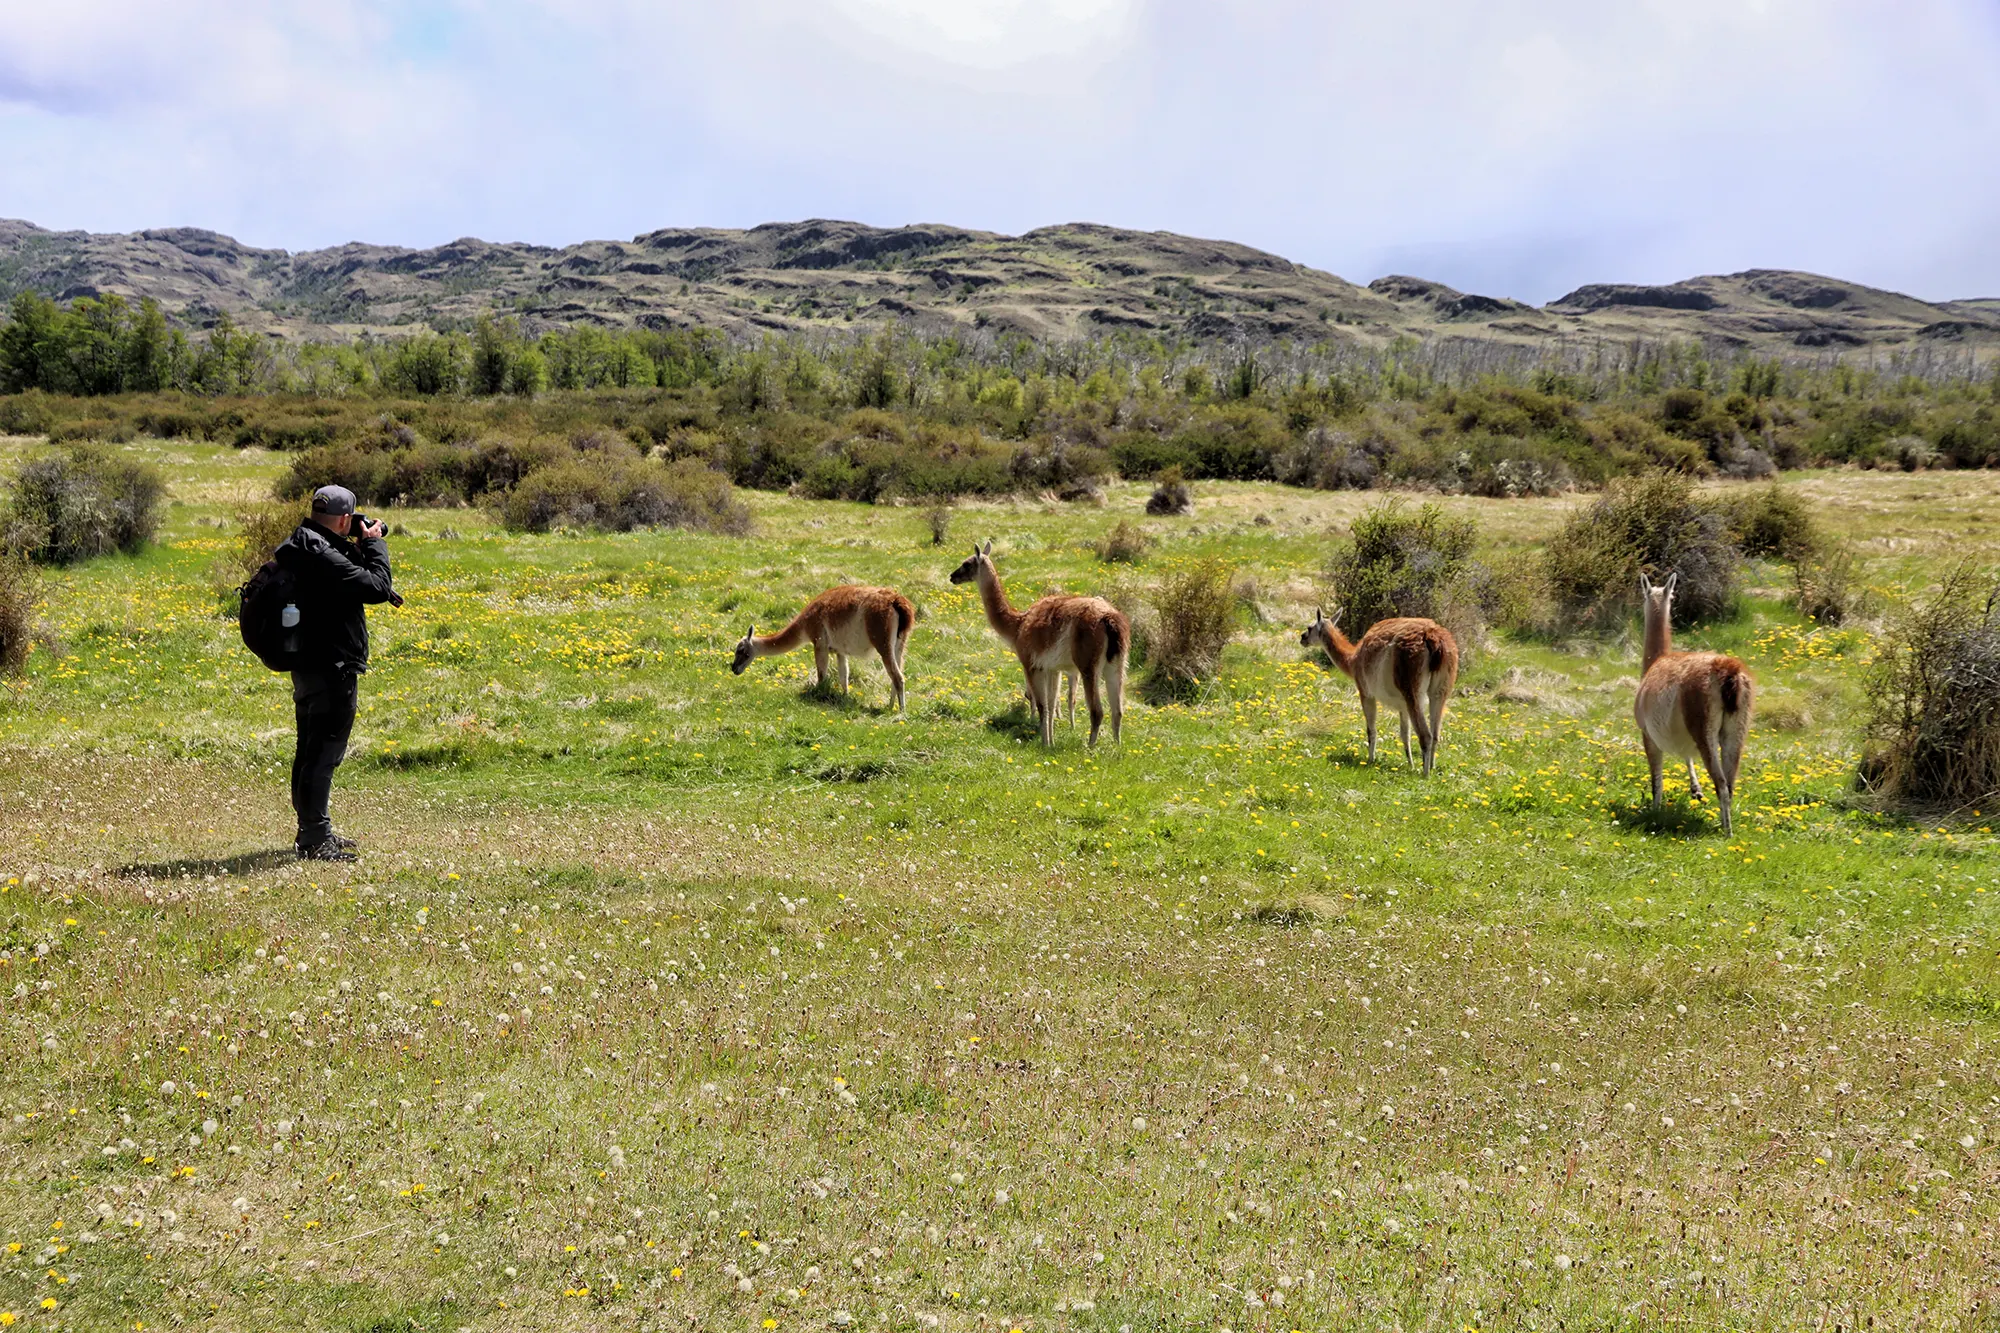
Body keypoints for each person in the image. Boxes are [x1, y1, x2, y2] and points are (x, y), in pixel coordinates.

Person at [275, 485, 397, 861]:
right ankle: (314, 838)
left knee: (310, 750)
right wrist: (374, 543)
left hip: (308, 663)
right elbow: (377, 587)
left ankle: (313, 829)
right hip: (332, 666)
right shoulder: (322, 555)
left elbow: (339, 578)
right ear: (345, 519)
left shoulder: (302, 544)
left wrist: (353, 545)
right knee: (324, 753)